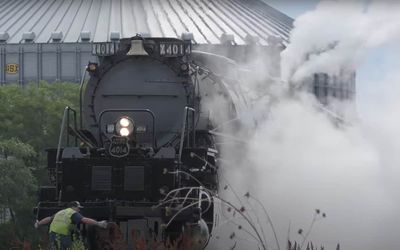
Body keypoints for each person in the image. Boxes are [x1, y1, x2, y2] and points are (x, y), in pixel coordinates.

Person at [34, 201, 108, 250]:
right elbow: (84, 220)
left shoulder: (60, 212)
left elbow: (49, 219)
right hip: (63, 235)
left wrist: (38, 223)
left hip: (52, 234)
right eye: (78, 208)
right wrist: (98, 223)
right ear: (73, 207)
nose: (79, 210)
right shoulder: (72, 212)